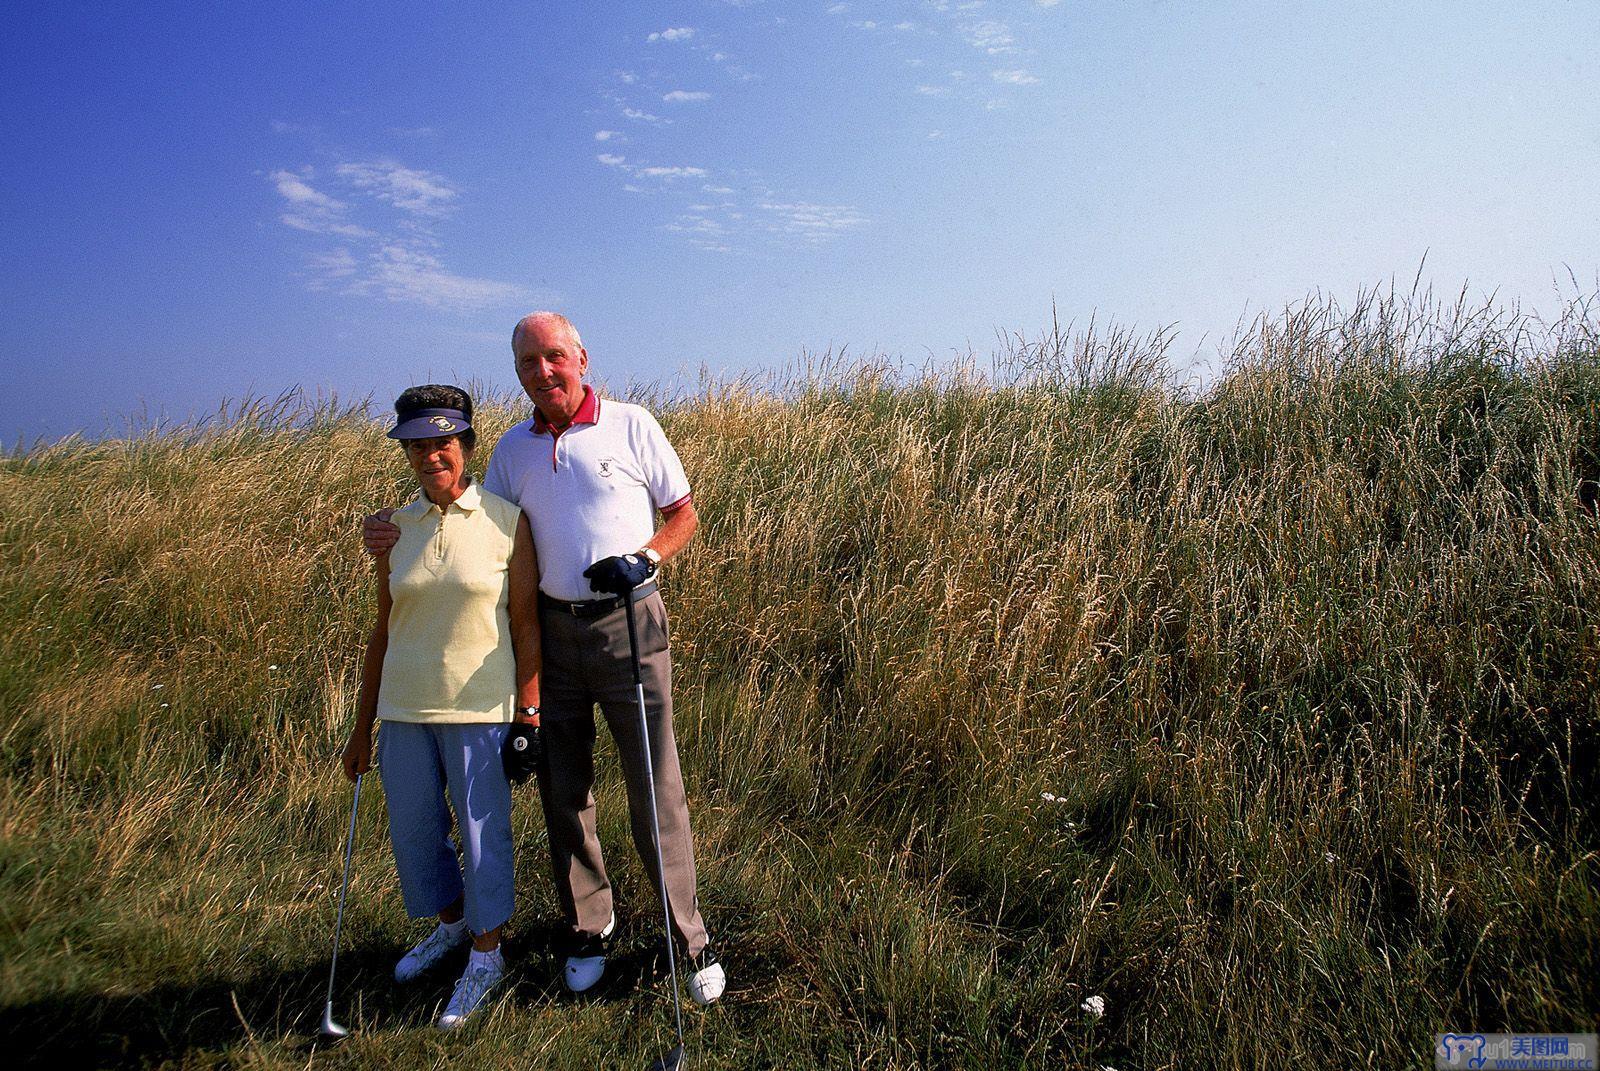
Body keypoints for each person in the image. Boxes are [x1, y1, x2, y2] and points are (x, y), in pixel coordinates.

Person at [364, 313, 726, 1005]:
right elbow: (476, 521)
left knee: (656, 783)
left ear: (581, 358)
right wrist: (390, 526)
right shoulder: (512, 449)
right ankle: (590, 925)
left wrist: (645, 556)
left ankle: (690, 936)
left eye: (553, 356)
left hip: (628, 621)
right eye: (528, 363)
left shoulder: (632, 423)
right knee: (564, 787)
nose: (543, 371)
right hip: (552, 632)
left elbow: (683, 515)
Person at [341, 384, 543, 1029]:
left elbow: (526, 626)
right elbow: (384, 627)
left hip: (480, 709)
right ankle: (453, 926)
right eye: (418, 447)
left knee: (484, 840)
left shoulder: (508, 522)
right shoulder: (392, 530)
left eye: (444, 443)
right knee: (416, 834)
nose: (432, 457)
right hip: (404, 709)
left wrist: (528, 714)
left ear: (466, 445)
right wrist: (360, 727)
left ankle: (488, 955)